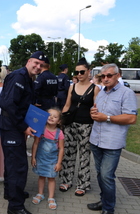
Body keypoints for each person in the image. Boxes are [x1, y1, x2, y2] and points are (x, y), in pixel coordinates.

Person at [0, 51, 47, 214]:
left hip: (14, 126)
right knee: (17, 167)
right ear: (29, 61)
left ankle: (12, 193)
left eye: (41, 65)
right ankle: (15, 207)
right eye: (36, 63)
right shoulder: (19, 77)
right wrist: (23, 127)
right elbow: (8, 104)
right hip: (12, 127)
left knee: (12, 164)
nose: (38, 67)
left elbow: (21, 103)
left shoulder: (27, 78)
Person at [87, 64, 137, 214]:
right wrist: (94, 112)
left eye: (109, 75)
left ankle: (109, 209)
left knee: (107, 176)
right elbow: (98, 112)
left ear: (118, 76)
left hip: (112, 143)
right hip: (96, 140)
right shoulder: (102, 92)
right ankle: (104, 201)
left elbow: (131, 118)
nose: (106, 78)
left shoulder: (126, 93)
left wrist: (106, 117)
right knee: (100, 174)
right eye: (103, 76)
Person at [59, 57, 100, 196]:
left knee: (84, 155)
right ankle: (66, 180)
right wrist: (61, 121)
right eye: (77, 72)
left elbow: (96, 108)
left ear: (89, 71)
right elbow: (67, 105)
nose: (80, 75)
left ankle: (82, 184)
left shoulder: (95, 89)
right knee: (68, 153)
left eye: (82, 72)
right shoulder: (72, 86)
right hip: (70, 124)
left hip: (86, 125)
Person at [31, 107, 64, 210]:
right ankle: (40, 194)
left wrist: (59, 163)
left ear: (58, 121)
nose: (51, 118)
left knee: (51, 178)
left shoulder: (60, 133)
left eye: (55, 117)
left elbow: (61, 149)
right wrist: (33, 157)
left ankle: (51, 197)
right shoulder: (41, 129)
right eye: (49, 115)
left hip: (52, 160)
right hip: (41, 158)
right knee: (41, 176)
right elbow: (35, 143)